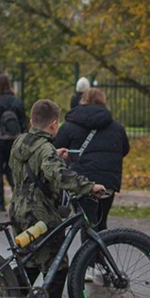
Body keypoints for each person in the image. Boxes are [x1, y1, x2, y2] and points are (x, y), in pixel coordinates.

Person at [10, 98, 107, 298]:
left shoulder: (20, 142)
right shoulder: (45, 149)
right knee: (57, 263)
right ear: (54, 124)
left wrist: (54, 154)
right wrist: (89, 187)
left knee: (30, 261)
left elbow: (34, 166)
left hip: (18, 209)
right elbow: (59, 176)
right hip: (40, 213)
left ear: (32, 120)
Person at [55, 87, 130, 231]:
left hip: (82, 182)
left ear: (83, 100)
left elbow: (55, 149)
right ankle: (99, 252)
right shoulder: (116, 127)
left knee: (87, 226)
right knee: (101, 225)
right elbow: (124, 149)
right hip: (108, 182)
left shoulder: (70, 125)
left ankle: (89, 254)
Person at [0, 73, 27, 212]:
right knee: (11, 169)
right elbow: (23, 122)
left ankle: (1, 203)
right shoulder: (16, 101)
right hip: (14, 140)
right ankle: (18, 199)